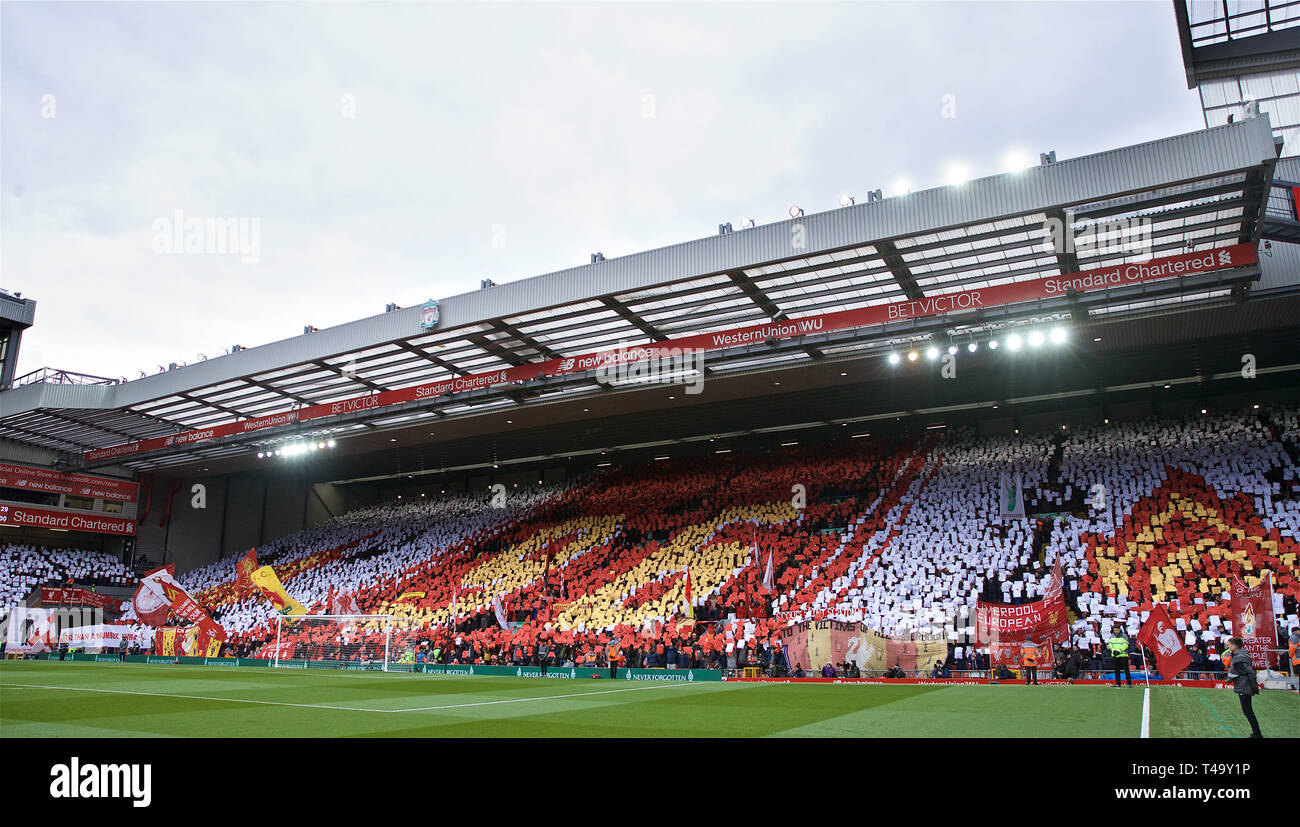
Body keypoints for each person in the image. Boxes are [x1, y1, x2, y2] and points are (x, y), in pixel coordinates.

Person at [1224, 637, 1263, 739]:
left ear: (1236, 646)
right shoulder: (1240, 655)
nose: (1229, 646)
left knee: (1248, 711)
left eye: (1230, 644)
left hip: (1244, 685)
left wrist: (1254, 687)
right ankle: (1256, 733)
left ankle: (1257, 734)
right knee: (1247, 711)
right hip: (1243, 684)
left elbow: (1250, 672)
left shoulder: (1240, 657)